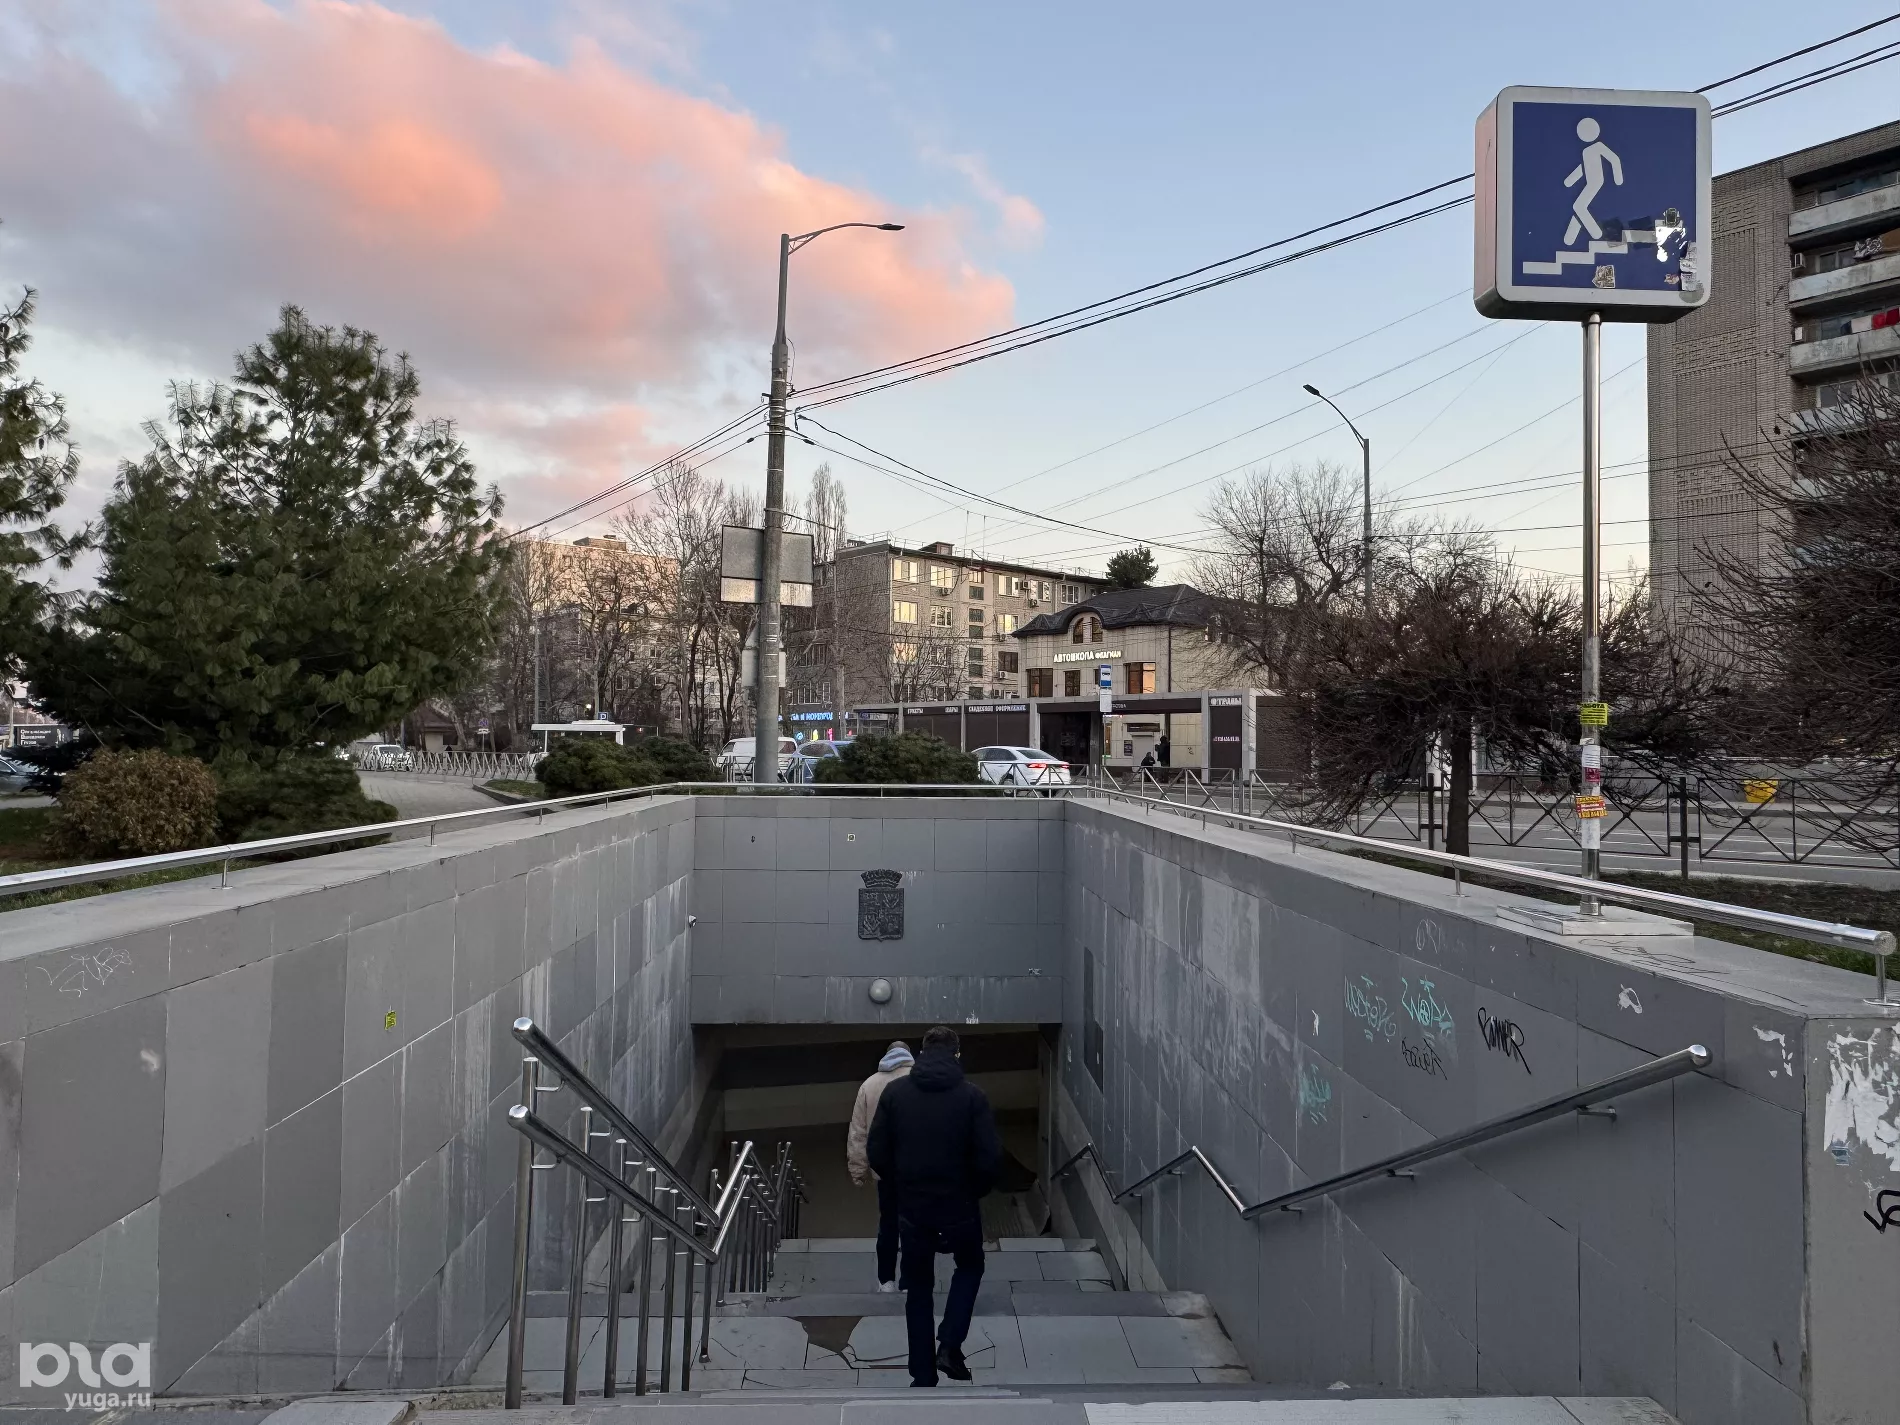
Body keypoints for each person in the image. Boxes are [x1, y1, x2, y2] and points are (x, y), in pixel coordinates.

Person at [867, 1024, 1002, 1387]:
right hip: (959, 1206)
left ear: (922, 1053)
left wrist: (901, 1185)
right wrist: (973, 1191)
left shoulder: (896, 1094)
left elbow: (876, 1151)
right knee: (970, 1266)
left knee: (918, 1288)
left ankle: (923, 1374)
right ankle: (950, 1344)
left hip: (913, 1208)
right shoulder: (972, 1097)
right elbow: (989, 1158)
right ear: (957, 1055)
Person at [846, 1039, 914, 1291]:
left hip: (884, 1169)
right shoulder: (919, 1080)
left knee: (888, 1223)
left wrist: (858, 1170)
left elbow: (858, 1132)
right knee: (914, 1223)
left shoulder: (869, 1084)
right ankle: (909, 1280)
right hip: (915, 1167)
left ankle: (886, 1280)